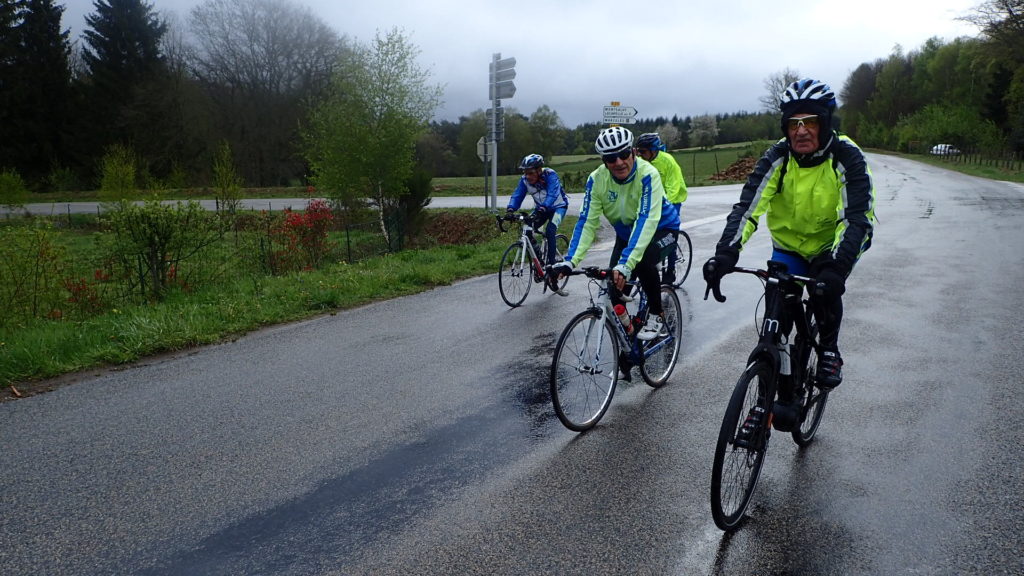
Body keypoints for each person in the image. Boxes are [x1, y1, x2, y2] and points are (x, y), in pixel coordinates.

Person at [702, 78, 876, 393]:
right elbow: (747, 209)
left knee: (824, 295)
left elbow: (857, 219)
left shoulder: (847, 156)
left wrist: (837, 268)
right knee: (774, 322)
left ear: (825, 123)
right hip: (789, 248)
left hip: (830, 248)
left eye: (810, 122)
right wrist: (725, 253)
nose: (801, 131)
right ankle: (765, 401)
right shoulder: (778, 157)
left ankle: (829, 350)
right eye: (794, 123)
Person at [551, 125, 681, 351]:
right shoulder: (597, 179)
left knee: (642, 261)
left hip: (663, 228)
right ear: (604, 161)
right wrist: (569, 261)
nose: (619, 162)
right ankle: (630, 338)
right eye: (611, 158)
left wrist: (626, 264)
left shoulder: (648, 174)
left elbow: (646, 220)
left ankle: (657, 312)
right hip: (626, 233)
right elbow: (587, 222)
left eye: (623, 154)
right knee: (614, 291)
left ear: (633, 152)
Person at [635, 132, 687, 284]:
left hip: (673, 199)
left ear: (653, 150)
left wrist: (665, 206)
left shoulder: (667, 161)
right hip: (653, 200)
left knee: (669, 234)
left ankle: (670, 270)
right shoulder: (641, 162)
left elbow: (673, 186)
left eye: (643, 151)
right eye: (638, 151)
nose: (640, 155)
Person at [506, 154, 570, 268]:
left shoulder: (550, 175)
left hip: (558, 208)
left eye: (531, 173)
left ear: (539, 170)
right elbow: (517, 195)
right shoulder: (524, 180)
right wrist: (510, 209)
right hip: (541, 209)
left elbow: (552, 194)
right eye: (525, 173)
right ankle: (538, 257)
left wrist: (544, 207)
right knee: (527, 228)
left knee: (550, 230)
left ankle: (552, 265)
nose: (528, 176)